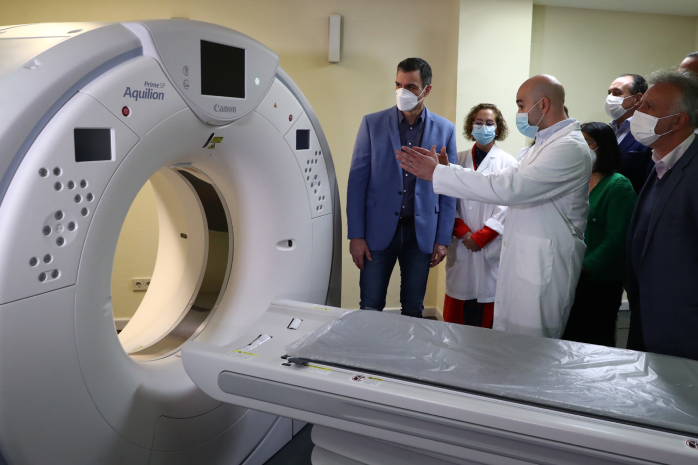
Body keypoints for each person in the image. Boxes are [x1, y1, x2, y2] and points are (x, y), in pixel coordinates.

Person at [396, 75, 592, 338]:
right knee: (511, 341)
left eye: (522, 105)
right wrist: (447, 169)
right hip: (523, 259)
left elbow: (511, 188)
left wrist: (438, 174)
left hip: (542, 264)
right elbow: (498, 179)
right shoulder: (540, 146)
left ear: (543, 105)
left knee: (534, 346)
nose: (519, 113)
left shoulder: (568, 148)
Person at [346, 58, 457, 318]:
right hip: (377, 233)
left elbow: (448, 188)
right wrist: (356, 235)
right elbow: (357, 182)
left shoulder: (445, 130)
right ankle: (368, 357)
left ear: (427, 90)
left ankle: (408, 358)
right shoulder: (372, 124)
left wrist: (442, 239)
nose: (402, 92)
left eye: (411, 87)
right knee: (370, 306)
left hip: (420, 234)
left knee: (413, 308)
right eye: (398, 85)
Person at [626, 69, 698, 360]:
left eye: (649, 107)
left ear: (679, 120)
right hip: (648, 320)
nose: (637, 110)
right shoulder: (658, 163)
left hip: (685, 333)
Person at [562, 123, 636, 347]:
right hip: (569, 278)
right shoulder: (575, 183)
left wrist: (583, 266)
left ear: (604, 147)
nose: (581, 149)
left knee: (594, 342)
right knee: (566, 342)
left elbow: (617, 239)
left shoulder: (618, 186)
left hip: (599, 283)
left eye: (587, 143)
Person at [443, 104, 516, 327]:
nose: (483, 126)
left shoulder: (509, 163)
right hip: (462, 244)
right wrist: (464, 233)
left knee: (486, 307)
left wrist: (482, 236)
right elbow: (448, 200)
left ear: (498, 128)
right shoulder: (457, 159)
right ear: (470, 125)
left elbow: (508, 206)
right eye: (479, 122)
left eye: (489, 123)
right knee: (457, 311)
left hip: (490, 246)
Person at [605, 74, 654, 194]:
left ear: (638, 99)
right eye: (609, 93)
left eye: (617, 93)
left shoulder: (651, 132)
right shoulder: (607, 131)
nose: (610, 98)